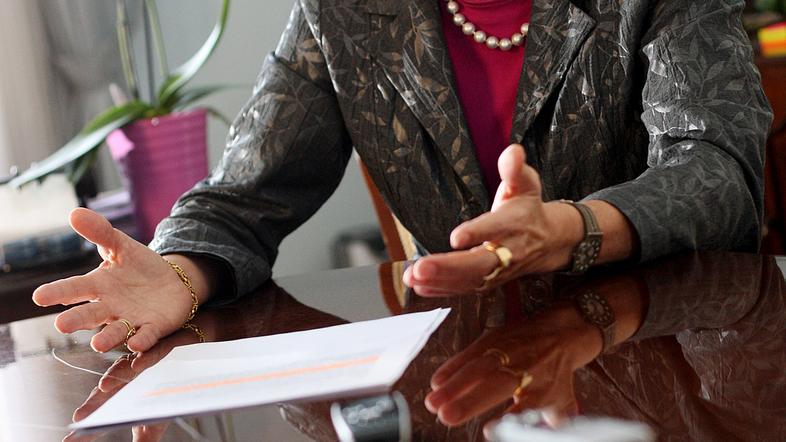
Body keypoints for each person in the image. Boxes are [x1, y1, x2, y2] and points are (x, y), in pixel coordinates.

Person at [34, 0, 769, 379]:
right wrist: (179, 274)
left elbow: (718, 168)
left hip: (666, 352)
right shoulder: (343, 12)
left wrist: (573, 230)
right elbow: (245, 195)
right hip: (460, 369)